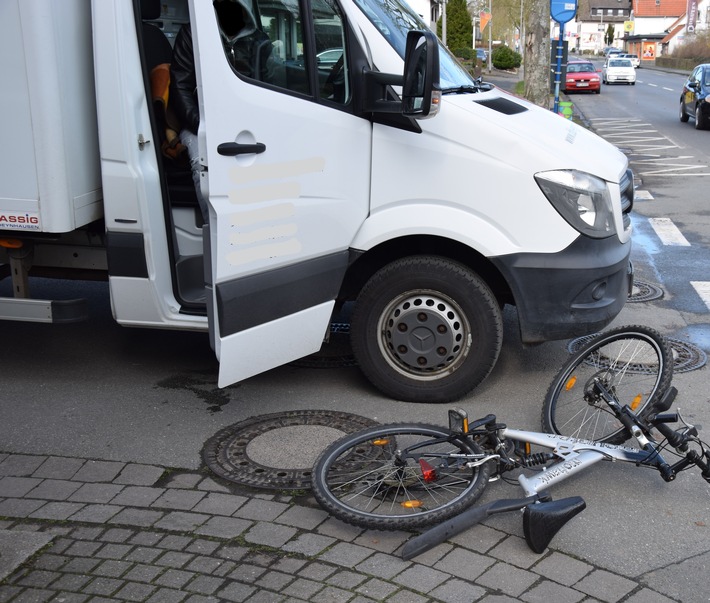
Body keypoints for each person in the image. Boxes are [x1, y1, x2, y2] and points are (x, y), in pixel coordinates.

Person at [169, 0, 278, 221]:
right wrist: (202, 125)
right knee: (203, 164)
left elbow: (271, 90)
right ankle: (216, 228)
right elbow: (180, 85)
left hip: (247, 123)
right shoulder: (193, 34)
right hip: (200, 121)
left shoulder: (259, 42)